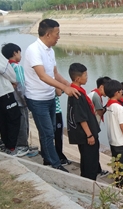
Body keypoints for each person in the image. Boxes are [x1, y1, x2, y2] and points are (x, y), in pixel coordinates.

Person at [23, 18, 80, 172]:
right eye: (57, 34)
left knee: (50, 130)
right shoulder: (34, 50)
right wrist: (63, 88)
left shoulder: (50, 50)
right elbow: (42, 76)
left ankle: (48, 159)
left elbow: (54, 73)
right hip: (36, 99)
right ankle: (55, 164)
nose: (58, 37)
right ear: (48, 34)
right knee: (47, 132)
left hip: (49, 97)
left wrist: (69, 85)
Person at [1, 43, 38, 157]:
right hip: (20, 101)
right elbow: (21, 85)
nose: (20, 55)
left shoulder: (8, 66)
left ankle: (17, 145)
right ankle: (23, 146)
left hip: (9, 100)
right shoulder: (17, 67)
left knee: (10, 123)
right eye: (19, 52)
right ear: (15, 53)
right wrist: (26, 100)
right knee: (23, 124)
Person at [66, 63, 100, 181]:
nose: (87, 77)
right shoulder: (76, 94)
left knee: (88, 159)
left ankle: (86, 180)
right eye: (85, 75)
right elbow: (81, 117)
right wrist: (89, 135)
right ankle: (89, 182)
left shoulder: (77, 91)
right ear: (77, 78)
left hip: (88, 132)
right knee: (90, 161)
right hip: (86, 135)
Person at [104, 79, 123, 186]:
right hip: (121, 141)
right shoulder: (118, 107)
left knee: (116, 164)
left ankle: (117, 184)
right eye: (121, 91)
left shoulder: (108, 105)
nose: (122, 93)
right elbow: (122, 125)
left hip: (113, 141)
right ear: (116, 93)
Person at [88, 76, 111, 177]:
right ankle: (95, 172)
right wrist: (109, 104)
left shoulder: (94, 94)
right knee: (93, 152)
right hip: (91, 128)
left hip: (91, 127)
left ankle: (97, 170)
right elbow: (100, 112)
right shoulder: (96, 96)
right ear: (102, 87)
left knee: (94, 150)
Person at [0, 53, 20, 156]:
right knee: (12, 120)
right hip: (4, 93)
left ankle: (7, 145)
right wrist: (13, 80)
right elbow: (6, 70)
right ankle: (11, 148)